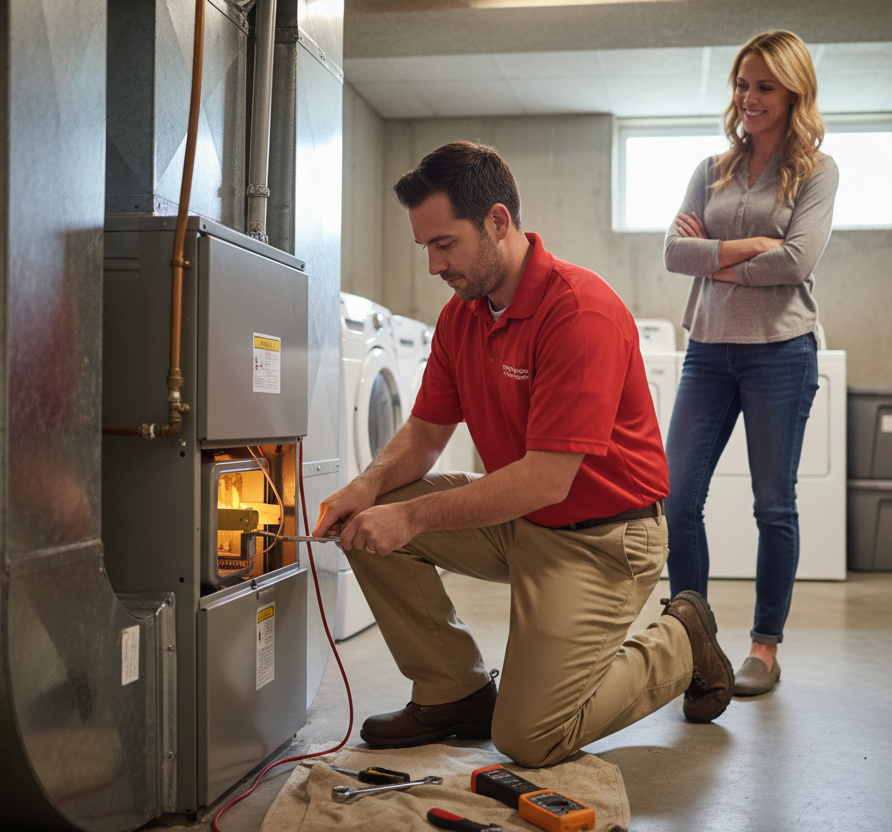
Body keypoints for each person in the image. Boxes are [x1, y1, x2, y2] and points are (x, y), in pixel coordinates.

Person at [312, 141, 734, 768]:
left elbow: (547, 479)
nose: (433, 265)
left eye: (444, 244)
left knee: (530, 738)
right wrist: (367, 489)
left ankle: (682, 640)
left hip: (605, 536)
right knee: (373, 516)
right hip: (524, 521)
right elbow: (426, 432)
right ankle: (455, 692)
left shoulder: (578, 311)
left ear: (498, 222)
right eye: (425, 246)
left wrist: (411, 518)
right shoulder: (464, 316)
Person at [663, 30, 838, 697]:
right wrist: (753, 246)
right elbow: (674, 255)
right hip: (707, 349)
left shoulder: (819, 171)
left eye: (765, 86)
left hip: (781, 354)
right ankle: (691, 640)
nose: (749, 98)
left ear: (793, 92)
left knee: (774, 505)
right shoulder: (711, 169)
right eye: (742, 84)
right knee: (677, 499)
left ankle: (764, 648)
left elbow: (797, 261)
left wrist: (718, 253)